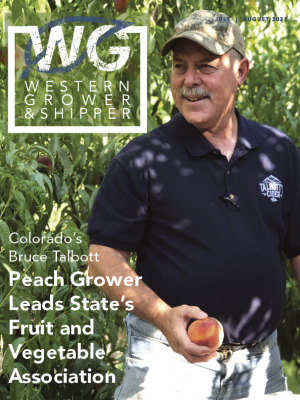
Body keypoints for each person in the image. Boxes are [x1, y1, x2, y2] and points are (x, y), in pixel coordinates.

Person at [87, 10, 300, 400]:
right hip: (168, 365)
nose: (189, 81)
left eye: (206, 66)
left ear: (241, 71)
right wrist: (163, 316)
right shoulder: (142, 159)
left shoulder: (278, 152)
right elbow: (102, 261)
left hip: (259, 365)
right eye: (180, 67)